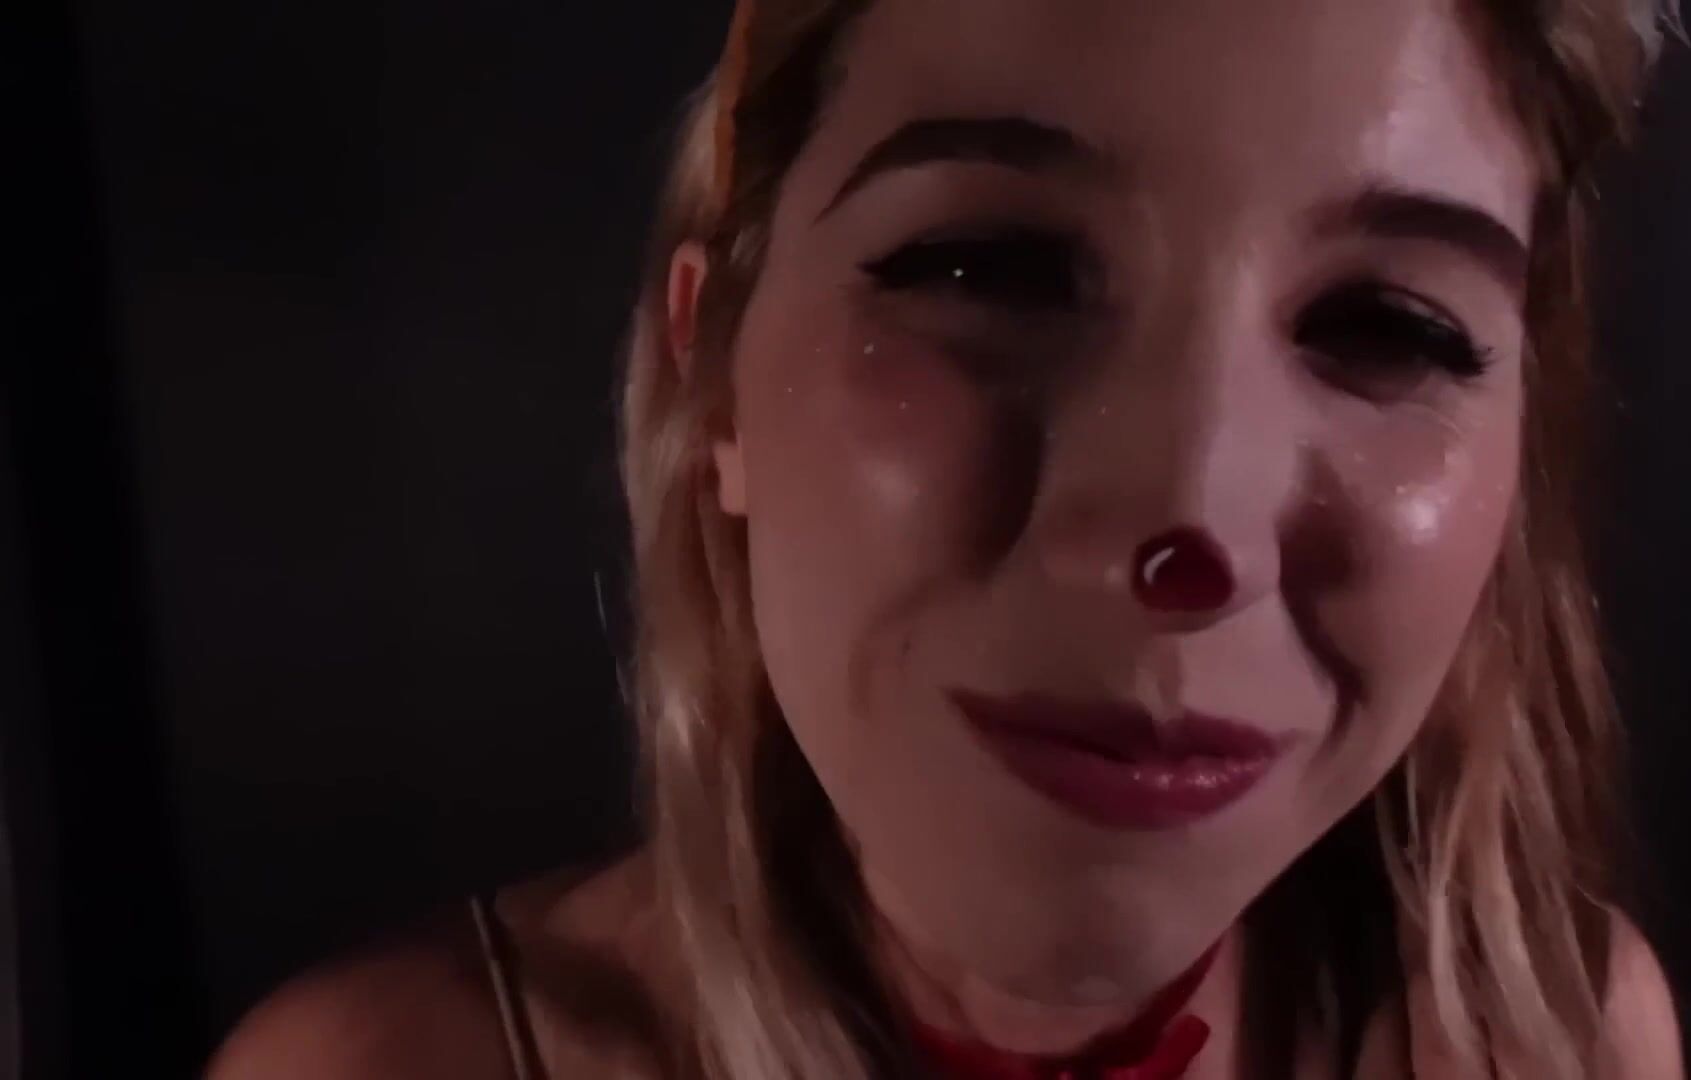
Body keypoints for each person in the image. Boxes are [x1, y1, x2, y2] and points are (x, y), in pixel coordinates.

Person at [208, 0, 1687, 1077]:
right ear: (710, 369)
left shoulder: (1557, 1041)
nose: (1191, 521)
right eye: (991, 267)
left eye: (1387, 325)